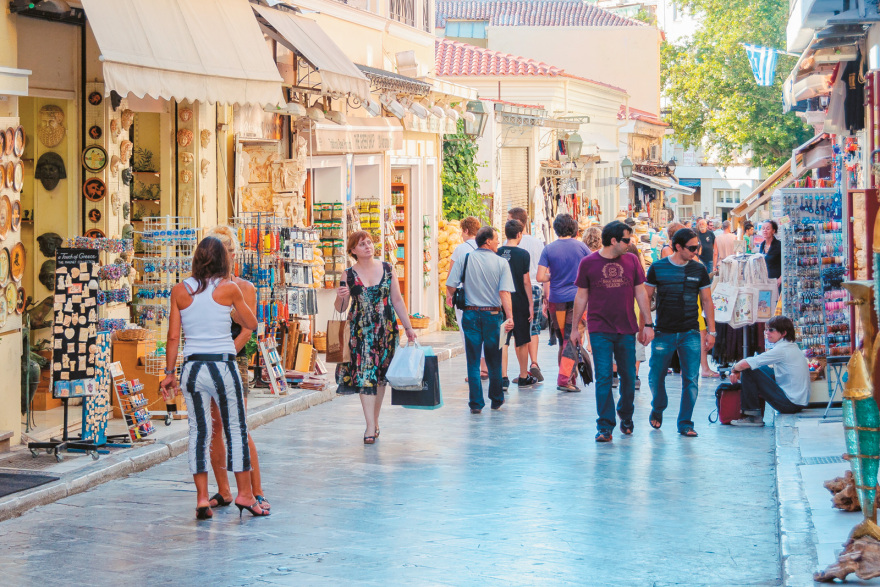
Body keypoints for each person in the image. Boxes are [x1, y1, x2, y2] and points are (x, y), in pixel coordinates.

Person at [159, 236, 265, 519]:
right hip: (221, 365)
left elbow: (172, 337)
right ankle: (244, 494)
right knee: (235, 429)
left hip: (192, 368)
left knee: (198, 432)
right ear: (224, 260)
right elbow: (251, 323)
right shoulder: (229, 289)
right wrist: (228, 309)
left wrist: (169, 374)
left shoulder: (180, 291)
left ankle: (203, 497)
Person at [202, 226, 268, 513]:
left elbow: (247, 329)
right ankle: (224, 490)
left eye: (227, 250)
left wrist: (227, 354)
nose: (223, 255)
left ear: (233, 254)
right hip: (207, 362)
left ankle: (256, 491)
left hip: (232, 361)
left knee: (237, 427)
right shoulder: (200, 288)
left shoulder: (245, 287)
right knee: (214, 428)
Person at [570, 221, 653, 442]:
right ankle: (605, 425)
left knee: (628, 376)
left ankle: (626, 414)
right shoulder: (588, 263)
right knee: (604, 377)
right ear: (614, 240)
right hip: (600, 329)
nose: (630, 243)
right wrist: (575, 328)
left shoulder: (632, 261)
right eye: (627, 240)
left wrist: (648, 324)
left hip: (626, 328)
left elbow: (641, 294)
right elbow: (581, 296)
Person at [335, 231, 416, 444]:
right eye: (361, 244)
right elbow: (341, 308)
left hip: (386, 330)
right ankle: (370, 426)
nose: (367, 246)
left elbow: (397, 300)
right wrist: (340, 297)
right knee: (364, 376)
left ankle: (375, 420)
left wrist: (408, 327)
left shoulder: (388, 269)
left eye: (369, 242)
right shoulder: (348, 275)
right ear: (353, 250)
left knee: (380, 378)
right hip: (361, 332)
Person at [644, 228, 717, 437]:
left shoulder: (699, 270)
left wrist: (712, 331)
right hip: (663, 332)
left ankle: (685, 422)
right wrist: (646, 326)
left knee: (691, 379)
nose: (696, 251)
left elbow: (707, 301)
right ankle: (658, 406)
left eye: (698, 247)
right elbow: (646, 298)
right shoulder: (657, 268)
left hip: (690, 332)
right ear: (678, 247)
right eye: (692, 248)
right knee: (655, 376)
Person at [446, 227, 515, 413]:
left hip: (470, 314)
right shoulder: (501, 263)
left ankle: (476, 404)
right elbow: (504, 292)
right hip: (493, 316)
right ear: (488, 241)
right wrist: (510, 317)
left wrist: (453, 296)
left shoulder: (465, 259)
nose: (498, 243)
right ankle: (496, 399)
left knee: (473, 360)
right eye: (496, 240)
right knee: (494, 360)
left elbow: (450, 285)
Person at [537, 214, 591, 392]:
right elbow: (592, 270)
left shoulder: (549, 249)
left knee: (564, 341)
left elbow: (540, 276)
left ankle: (570, 377)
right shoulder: (582, 247)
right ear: (573, 228)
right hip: (578, 301)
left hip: (556, 300)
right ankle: (564, 379)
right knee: (572, 339)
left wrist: (552, 276)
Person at [728, 316, 809, 426]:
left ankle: (753, 416)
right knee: (757, 367)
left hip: (790, 404)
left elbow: (745, 364)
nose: (767, 332)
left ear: (783, 333)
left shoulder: (782, 349)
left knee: (749, 369)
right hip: (797, 402)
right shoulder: (790, 347)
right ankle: (753, 412)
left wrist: (734, 370)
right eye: (766, 329)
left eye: (771, 330)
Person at [508, 207, 547, 383]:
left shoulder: (507, 244)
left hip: (515, 290)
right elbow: (544, 269)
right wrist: (546, 292)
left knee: (518, 331)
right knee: (534, 328)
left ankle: (523, 370)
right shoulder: (538, 243)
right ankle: (534, 363)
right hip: (536, 288)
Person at [498, 220, 537, 388]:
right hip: (519, 300)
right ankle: (522, 376)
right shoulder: (523, 254)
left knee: (502, 340)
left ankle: (503, 378)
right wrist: (530, 303)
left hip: (500, 300)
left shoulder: (496, 252)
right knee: (521, 340)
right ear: (519, 234)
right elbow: (526, 281)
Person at [448, 216, 486, 379]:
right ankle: (485, 368)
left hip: (465, 297)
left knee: (467, 332)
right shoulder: (486, 247)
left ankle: (474, 370)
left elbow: (451, 277)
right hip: (485, 296)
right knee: (483, 331)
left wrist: (450, 294)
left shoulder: (460, 249)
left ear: (465, 230)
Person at [758, 220, 782, 288]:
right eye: (763, 228)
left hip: (777, 281)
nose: (765, 230)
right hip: (765, 281)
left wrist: (781, 278)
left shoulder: (779, 245)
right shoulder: (762, 245)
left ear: (773, 231)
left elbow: (786, 263)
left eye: (768, 229)